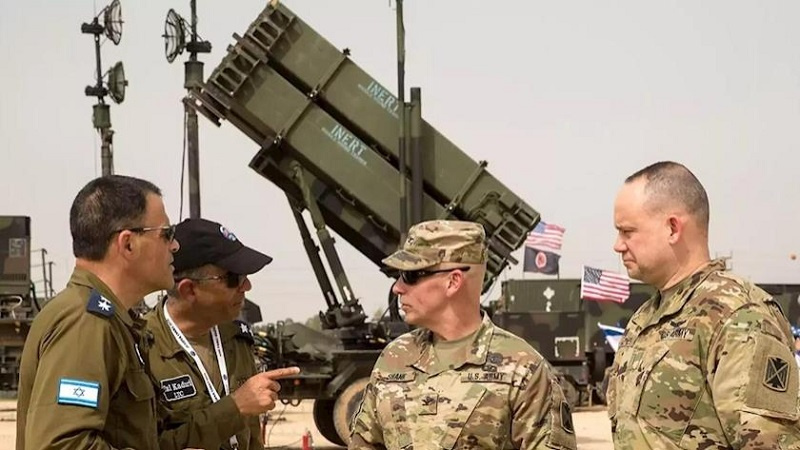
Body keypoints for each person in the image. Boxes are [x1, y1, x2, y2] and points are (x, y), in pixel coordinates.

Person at [608, 161, 800, 448]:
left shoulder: (738, 316)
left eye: (627, 231)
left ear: (673, 228)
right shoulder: (643, 319)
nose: (618, 245)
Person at [349, 220, 577, 450]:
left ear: (453, 281)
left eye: (410, 275)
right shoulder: (395, 357)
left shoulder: (523, 369)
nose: (397, 287)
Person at [16, 175, 178, 450]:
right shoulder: (86, 322)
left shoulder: (108, 319)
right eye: (166, 234)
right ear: (128, 244)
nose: (174, 246)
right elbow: (63, 445)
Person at [144, 218, 300, 450]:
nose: (247, 286)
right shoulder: (142, 349)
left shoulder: (236, 340)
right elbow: (146, 444)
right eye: (233, 278)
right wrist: (234, 408)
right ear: (189, 290)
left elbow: (252, 435)